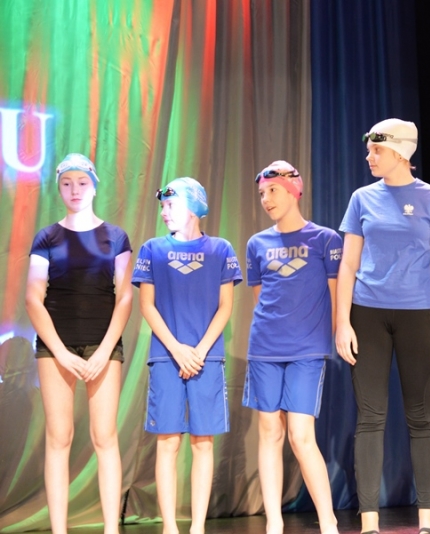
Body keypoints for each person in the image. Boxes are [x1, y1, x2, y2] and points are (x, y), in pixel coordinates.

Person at [335, 118, 430, 534]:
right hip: (368, 313)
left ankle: (428, 519)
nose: (369, 157)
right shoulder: (361, 199)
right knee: (370, 417)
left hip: (419, 313)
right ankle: (369, 521)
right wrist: (342, 323)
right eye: (369, 150)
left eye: (377, 150)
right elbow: (348, 264)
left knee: (421, 416)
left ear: (402, 152)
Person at [26, 153, 133, 534]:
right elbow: (33, 298)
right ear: (58, 188)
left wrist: (104, 351)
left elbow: (124, 297)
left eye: (82, 182)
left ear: (94, 186)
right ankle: (59, 529)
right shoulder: (46, 237)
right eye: (67, 183)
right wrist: (59, 351)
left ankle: (111, 529)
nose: (75, 190)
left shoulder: (116, 237)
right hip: (56, 346)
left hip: (103, 345)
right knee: (59, 437)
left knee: (105, 436)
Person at [132, 177, 242, 534]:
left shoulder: (221, 249)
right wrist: (178, 349)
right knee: (167, 441)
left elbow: (225, 307)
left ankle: (197, 526)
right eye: (162, 206)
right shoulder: (151, 249)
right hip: (166, 357)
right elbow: (147, 305)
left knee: (203, 441)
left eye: (171, 205)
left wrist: (199, 351)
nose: (164, 212)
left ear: (194, 207)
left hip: (207, 359)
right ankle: (169, 526)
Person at [242, 161, 341, 534]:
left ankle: (328, 522)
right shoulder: (257, 244)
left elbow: (336, 297)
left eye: (273, 191)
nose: (266, 199)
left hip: (307, 351)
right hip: (265, 349)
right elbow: (260, 297)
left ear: (294, 191)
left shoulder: (325, 239)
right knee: (270, 432)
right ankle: (273, 522)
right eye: (262, 193)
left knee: (301, 436)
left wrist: (334, 335)